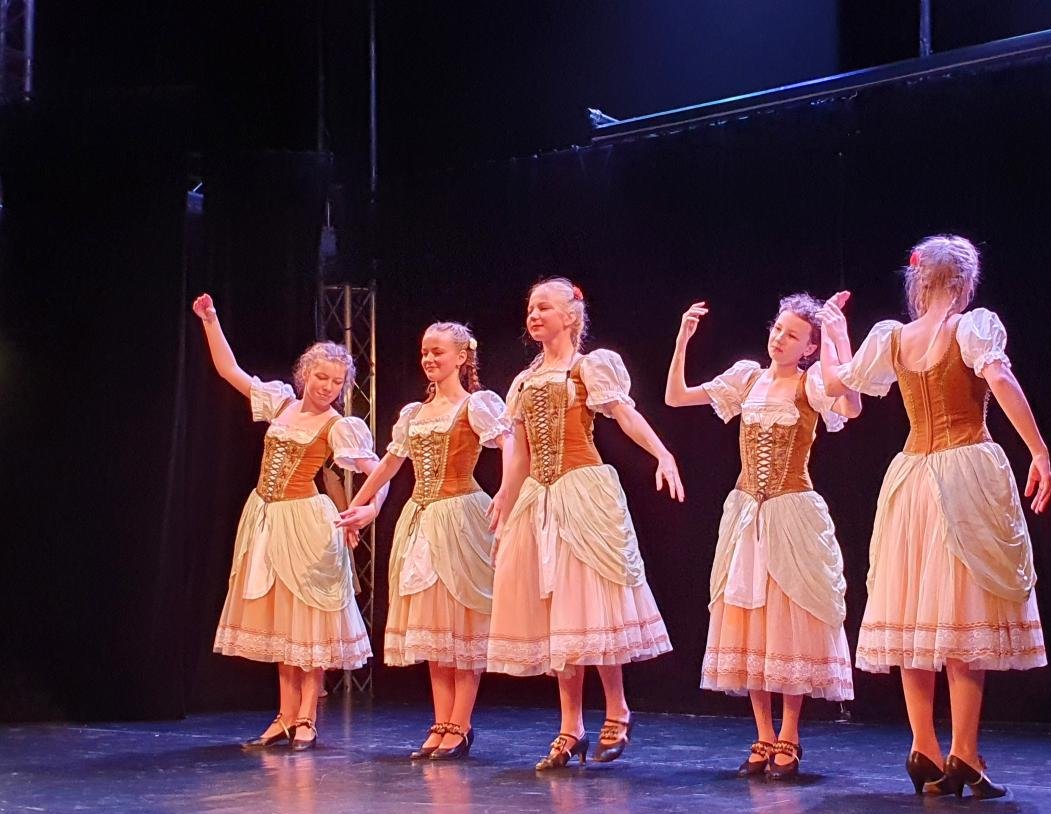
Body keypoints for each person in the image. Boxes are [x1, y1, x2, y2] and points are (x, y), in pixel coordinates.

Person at [819, 236, 1051, 798]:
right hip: (964, 470)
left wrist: (834, 333)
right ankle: (964, 752)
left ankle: (923, 745)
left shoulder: (892, 336)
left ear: (918, 283)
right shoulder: (971, 327)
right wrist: (1039, 450)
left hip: (911, 479)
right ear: (965, 283)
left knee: (918, 611)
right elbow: (1000, 379)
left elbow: (836, 383)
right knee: (963, 613)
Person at [486, 277, 680, 770]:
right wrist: (507, 494)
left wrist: (662, 453)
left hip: (582, 491)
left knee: (594, 604)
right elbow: (521, 452)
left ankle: (617, 708)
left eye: (544, 308)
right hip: (539, 498)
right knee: (558, 614)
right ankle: (570, 725)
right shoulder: (523, 382)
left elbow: (624, 414)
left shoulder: (589, 367)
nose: (534, 315)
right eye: (531, 308)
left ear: (570, 316)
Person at [665, 292, 861, 778]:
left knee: (789, 619)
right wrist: (683, 340)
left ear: (808, 347)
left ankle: (789, 733)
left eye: (792, 335)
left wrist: (839, 340)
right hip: (746, 512)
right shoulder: (747, 378)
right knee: (749, 618)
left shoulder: (811, 384)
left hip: (792, 512)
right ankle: (762, 733)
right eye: (778, 329)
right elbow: (676, 396)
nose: (779, 339)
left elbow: (852, 405)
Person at [193, 292, 381, 751]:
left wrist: (370, 508)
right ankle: (283, 715)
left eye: (336, 381)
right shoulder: (280, 404)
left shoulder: (338, 425)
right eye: (321, 377)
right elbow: (229, 370)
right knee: (283, 625)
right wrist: (211, 320)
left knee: (308, 624)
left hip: (307, 523)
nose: (327, 387)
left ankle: (307, 717)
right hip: (266, 517)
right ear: (304, 374)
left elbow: (379, 469)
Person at [337, 322, 509, 761]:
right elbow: (389, 464)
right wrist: (359, 505)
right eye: (425, 352)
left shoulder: (476, 405)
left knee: (462, 626)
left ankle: (460, 724)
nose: (429, 359)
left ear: (461, 357)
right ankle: (441, 720)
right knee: (435, 631)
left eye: (438, 352)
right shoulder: (414, 413)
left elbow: (509, 444)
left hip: (461, 515)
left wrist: (508, 492)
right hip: (421, 519)